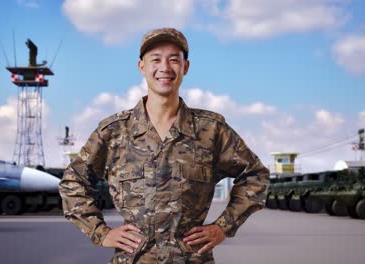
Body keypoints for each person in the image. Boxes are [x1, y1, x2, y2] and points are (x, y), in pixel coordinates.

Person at [59, 27, 269, 264]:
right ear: (142, 67)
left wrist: (223, 227)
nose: (165, 68)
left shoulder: (211, 131)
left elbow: (255, 175)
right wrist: (100, 232)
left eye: (174, 60)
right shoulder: (114, 132)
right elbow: (73, 181)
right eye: (155, 59)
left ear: (185, 67)